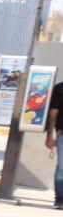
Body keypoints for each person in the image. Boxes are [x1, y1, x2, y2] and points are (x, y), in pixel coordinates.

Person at [47, 80, 63, 209]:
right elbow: (53, 113)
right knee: (62, 167)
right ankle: (60, 198)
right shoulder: (60, 88)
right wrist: (49, 135)